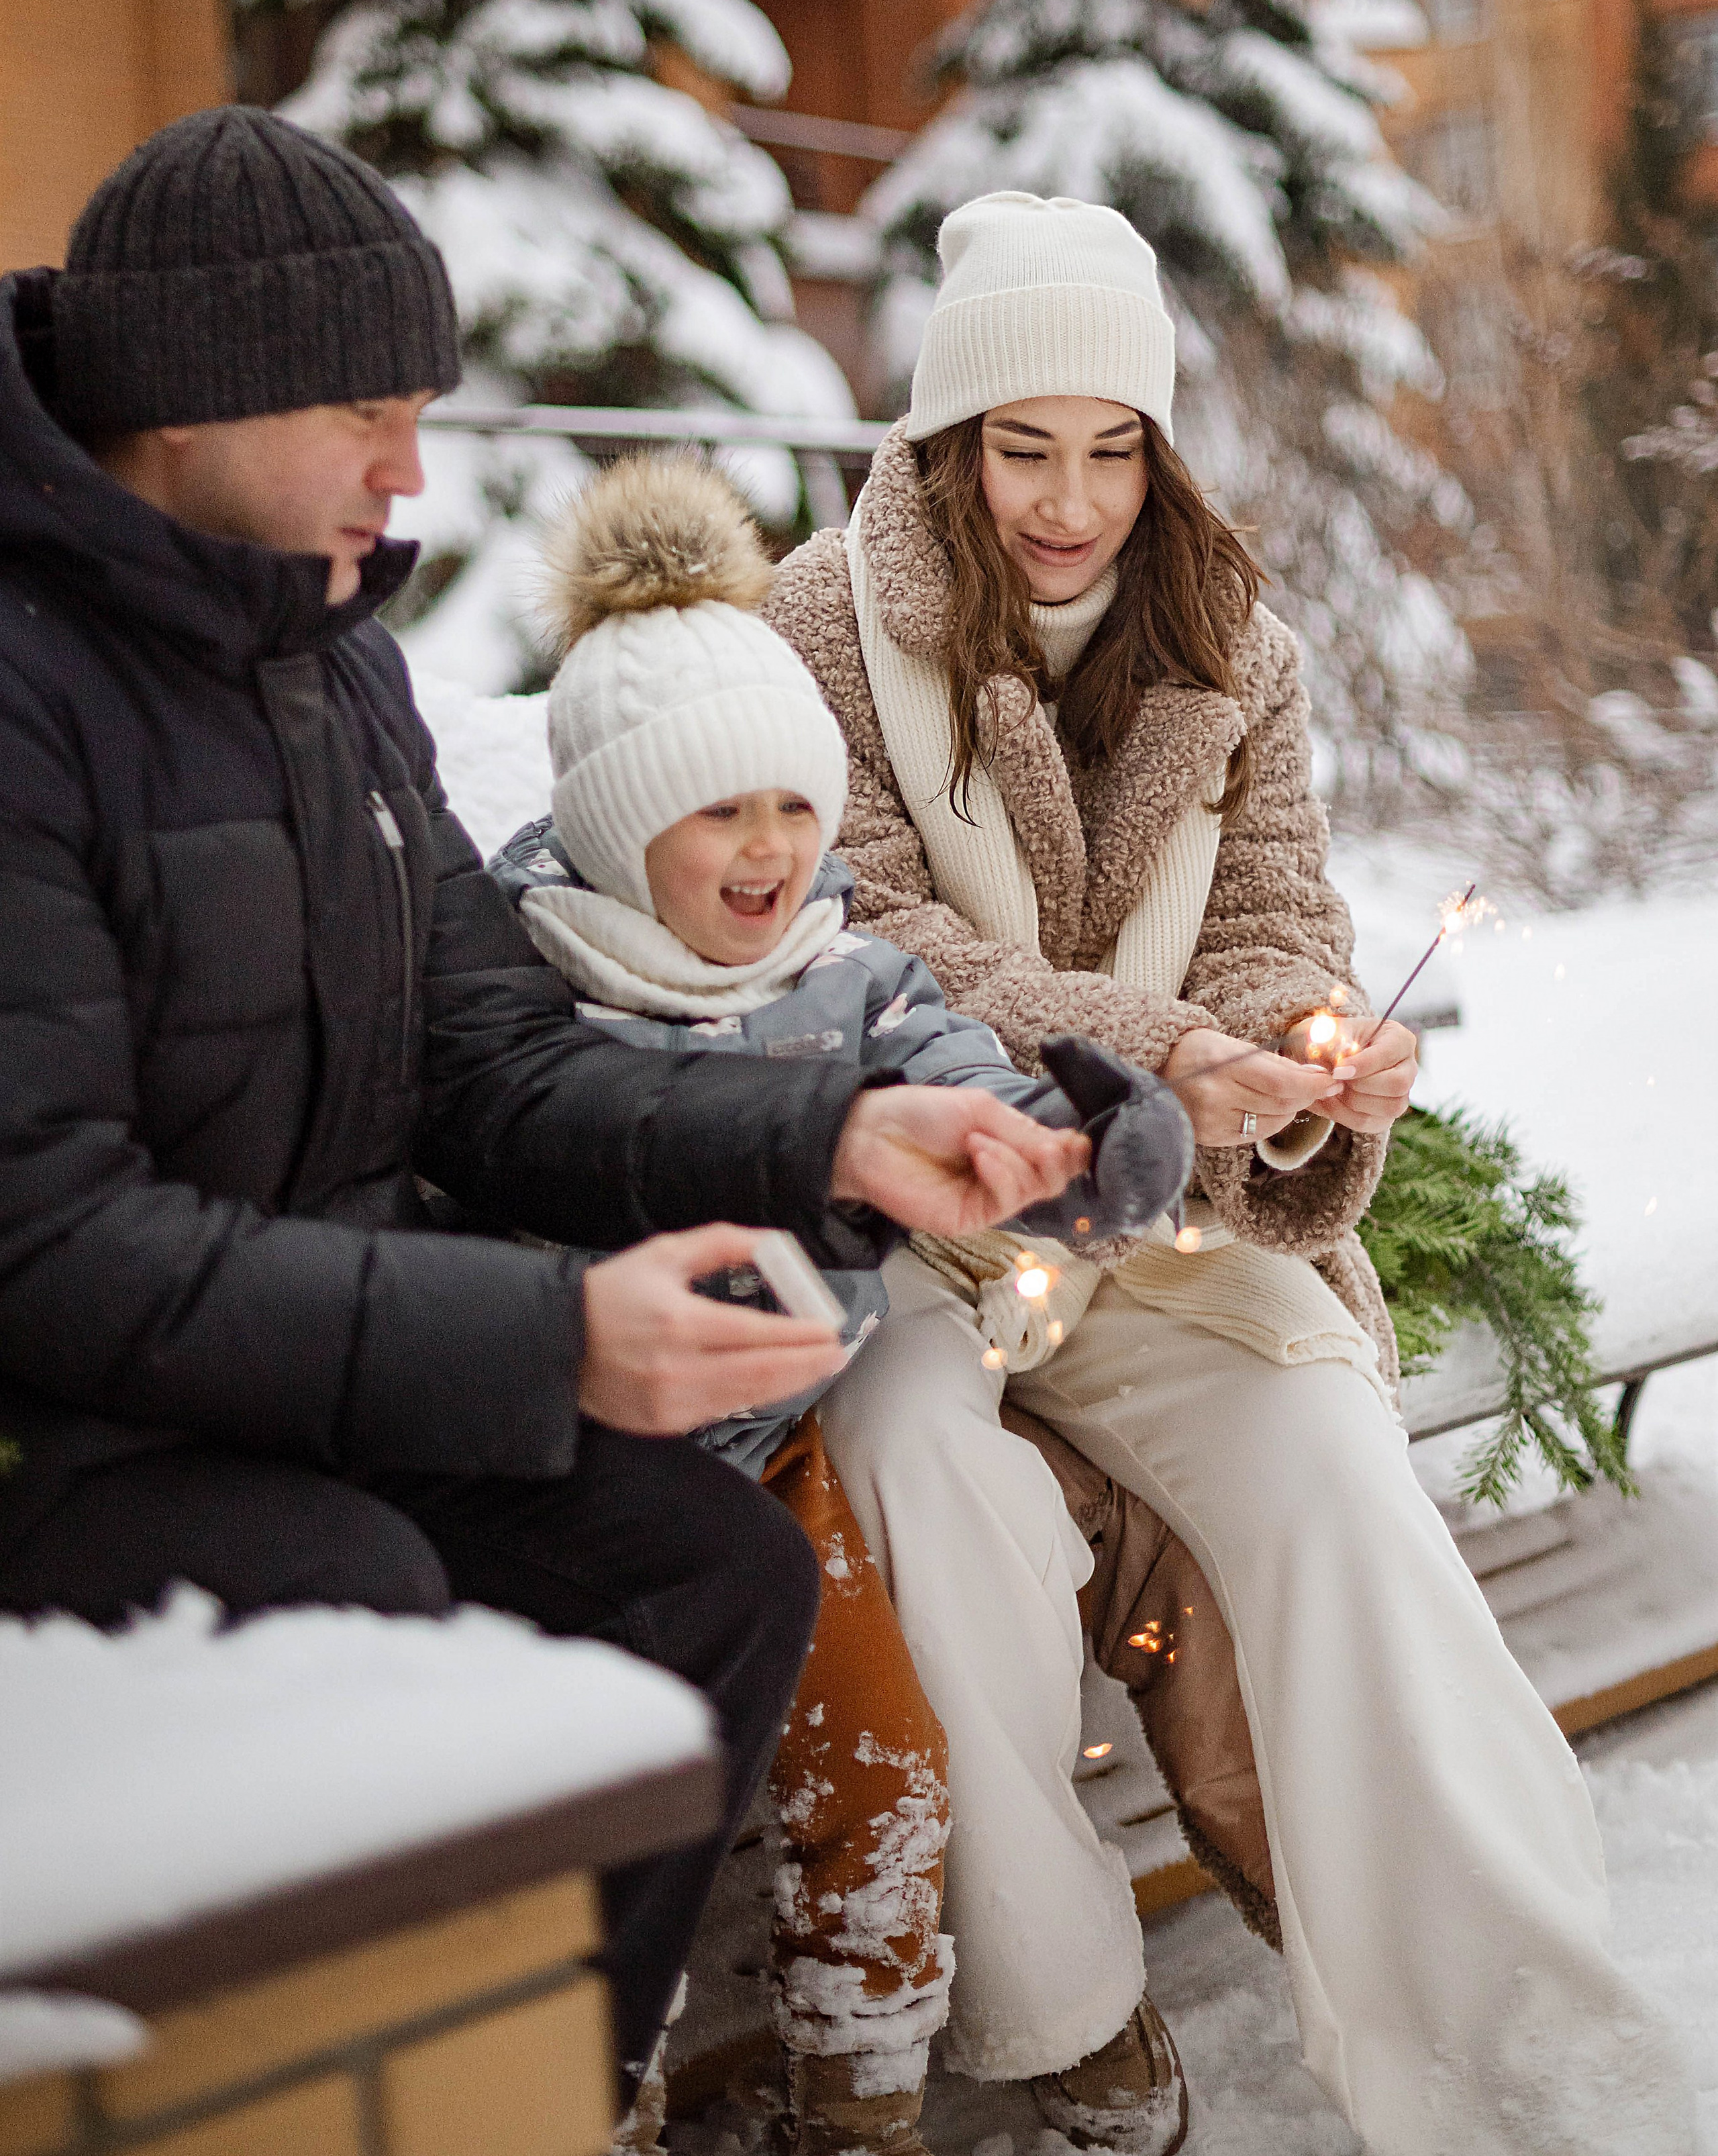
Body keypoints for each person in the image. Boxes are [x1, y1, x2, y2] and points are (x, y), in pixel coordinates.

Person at [0, 113, 1092, 2101]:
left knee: (715, 1573)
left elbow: (486, 1060)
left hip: (331, 1359)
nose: (411, 471)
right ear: (188, 397)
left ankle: (538, 2097)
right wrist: (547, 1332)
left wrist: (825, 1131)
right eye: (365, 409)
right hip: (80, 1423)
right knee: (381, 1612)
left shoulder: (332, 667)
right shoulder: (24, 693)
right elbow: (47, 1239)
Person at [766, 191, 1696, 2156]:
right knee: (927, 1483)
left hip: (1170, 1231)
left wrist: (1300, 1052)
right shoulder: (816, 630)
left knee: (1342, 1481)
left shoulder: (1230, 641)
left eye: (1115, 447)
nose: (1072, 500)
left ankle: (1513, 2046)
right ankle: (1071, 2011)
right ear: (947, 440)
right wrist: (1138, 1038)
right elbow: (874, 933)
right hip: (932, 1225)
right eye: (1025, 446)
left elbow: (1278, 908)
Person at [488, 447, 1196, 2156]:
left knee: (877, 1744)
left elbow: (963, 1074)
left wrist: (1076, 1143)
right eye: (715, 807)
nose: (768, 848)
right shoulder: (526, 1001)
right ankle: (603, 2094)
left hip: (789, 1455)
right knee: (601, 1806)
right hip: (579, 1478)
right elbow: (485, 1204)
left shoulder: (843, 968)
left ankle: (860, 2092)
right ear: (606, 820)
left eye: (794, 804)